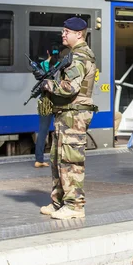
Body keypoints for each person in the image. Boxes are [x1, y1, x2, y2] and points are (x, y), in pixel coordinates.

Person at [39, 17, 97, 220]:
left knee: (70, 160)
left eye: (66, 32)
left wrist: (49, 85)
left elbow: (70, 87)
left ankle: (74, 206)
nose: (63, 34)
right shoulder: (73, 55)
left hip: (74, 115)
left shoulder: (80, 57)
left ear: (79, 34)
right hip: (66, 114)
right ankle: (59, 202)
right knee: (57, 159)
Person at [34, 46, 60, 168]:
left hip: (45, 101)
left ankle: (39, 159)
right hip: (59, 100)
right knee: (60, 130)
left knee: (43, 130)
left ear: (47, 51)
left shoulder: (41, 66)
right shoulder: (61, 65)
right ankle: (60, 157)